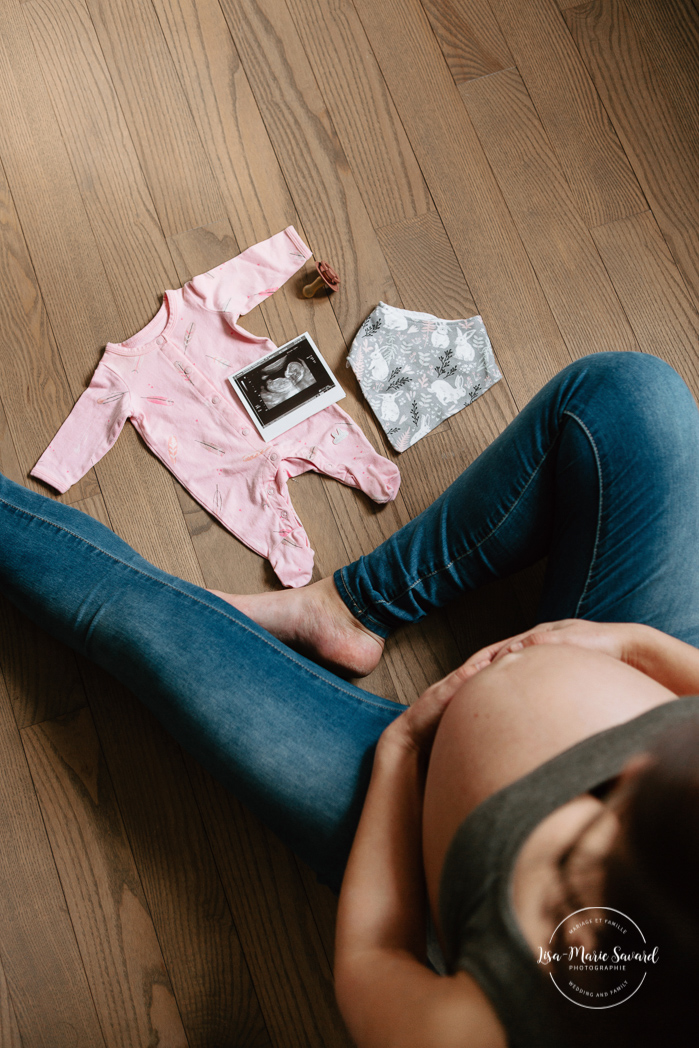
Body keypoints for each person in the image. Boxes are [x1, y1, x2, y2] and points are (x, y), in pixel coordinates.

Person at [2, 351, 698, 1046]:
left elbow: (371, 962)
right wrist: (629, 647)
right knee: (626, 397)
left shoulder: (493, 1027)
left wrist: (400, 756)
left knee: (148, 626)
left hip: (404, 810)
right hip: (623, 664)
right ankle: (348, 607)